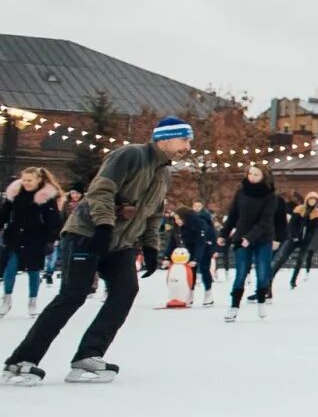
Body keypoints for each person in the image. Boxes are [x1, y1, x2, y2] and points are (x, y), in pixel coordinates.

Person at [3, 117, 189, 385]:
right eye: (183, 139)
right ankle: (20, 361)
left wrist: (150, 245)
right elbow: (102, 190)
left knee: (126, 291)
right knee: (73, 294)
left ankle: (89, 354)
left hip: (120, 242)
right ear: (165, 138)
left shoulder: (164, 172)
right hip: (87, 234)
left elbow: (154, 211)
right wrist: (102, 226)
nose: (187, 145)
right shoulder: (130, 155)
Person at [222, 164, 284, 320]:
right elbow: (233, 215)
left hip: (262, 238)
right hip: (241, 237)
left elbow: (265, 221)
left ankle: (262, 301)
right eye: (250, 174)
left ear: (264, 176)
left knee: (263, 272)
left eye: (256, 174)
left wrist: (249, 238)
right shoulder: (241, 193)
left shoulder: (271, 196)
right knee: (241, 273)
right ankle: (234, 306)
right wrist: (224, 233)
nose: (252, 177)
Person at [1, 167, 65, 319]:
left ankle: (32, 301)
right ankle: (6, 298)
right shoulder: (15, 195)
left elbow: (53, 221)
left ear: (38, 180)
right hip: (15, 237)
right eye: (24, 180)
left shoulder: (46, 198)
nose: (26, 183)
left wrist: (51, 240)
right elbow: (4, 213)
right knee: (10, 268)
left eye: (29, 180)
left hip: (36, 238)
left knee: (33, 270)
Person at [285, 193, 318, 288]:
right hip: (311, 240)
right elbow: (297, 224)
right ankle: (307, 272)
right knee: (308, 257)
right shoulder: (306, 213)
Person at [180, 197, 218, 306]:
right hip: (193, 247)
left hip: (206, 247)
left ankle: (208, 293)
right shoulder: (189, 219)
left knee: (205, 269)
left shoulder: (206, 218)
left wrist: (213, 247)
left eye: (198, 206)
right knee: (192, 270)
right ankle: (190, 294)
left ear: (202, 207)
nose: (196, 208)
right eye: (195, 206)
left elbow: (212, 233)